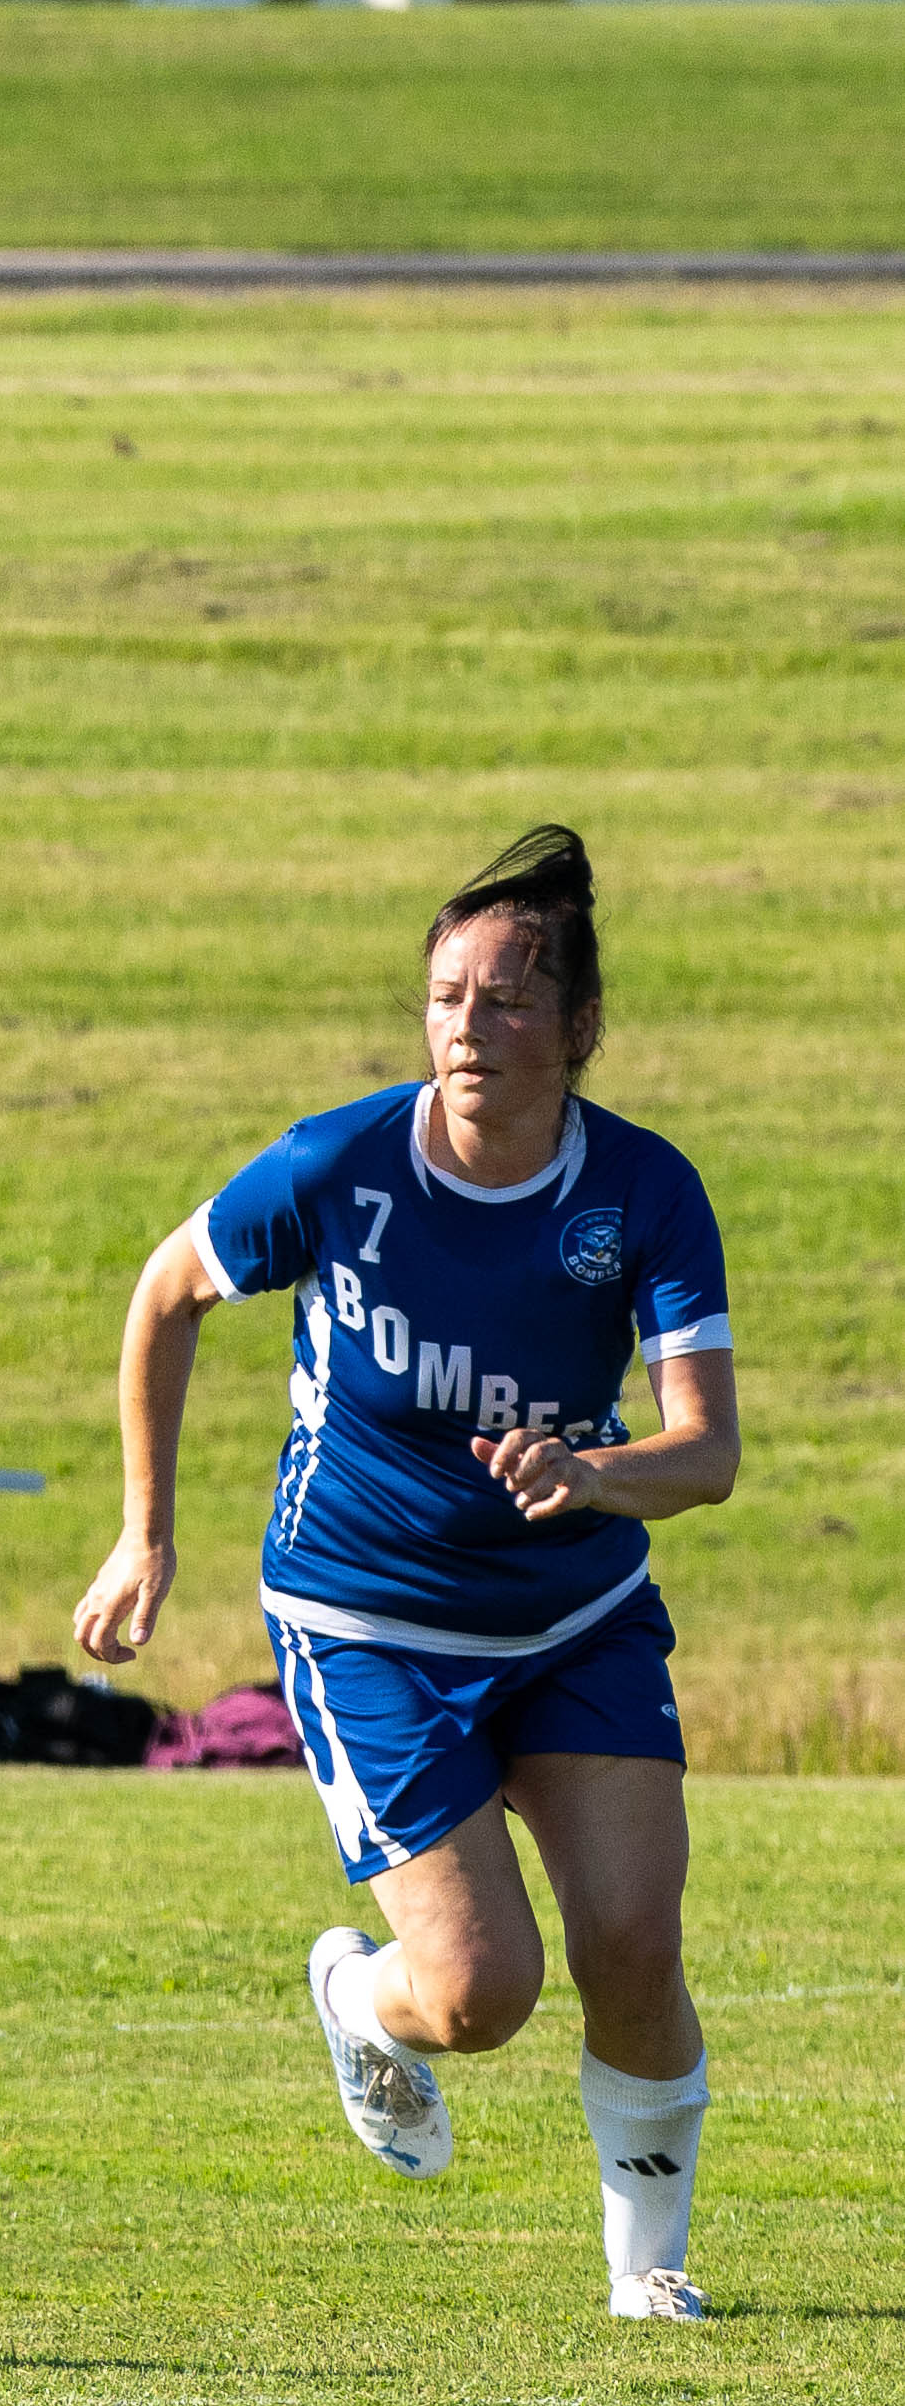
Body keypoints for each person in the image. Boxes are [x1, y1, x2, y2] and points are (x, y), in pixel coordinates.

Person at [73, 825, 740, 2319]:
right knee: (476, 1993)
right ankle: (351, 1994)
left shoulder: (642, 1191)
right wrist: (143, 1532)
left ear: (578, 1025)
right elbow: (166, 1290)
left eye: (507, 999)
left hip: (572, 1615)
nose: (466, 1026)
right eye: (445, 996)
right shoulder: (337, 1164)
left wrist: (592, 1475)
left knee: (632, 1941)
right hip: (364, 1619)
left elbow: (704, 1452)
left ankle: (648, 2270)